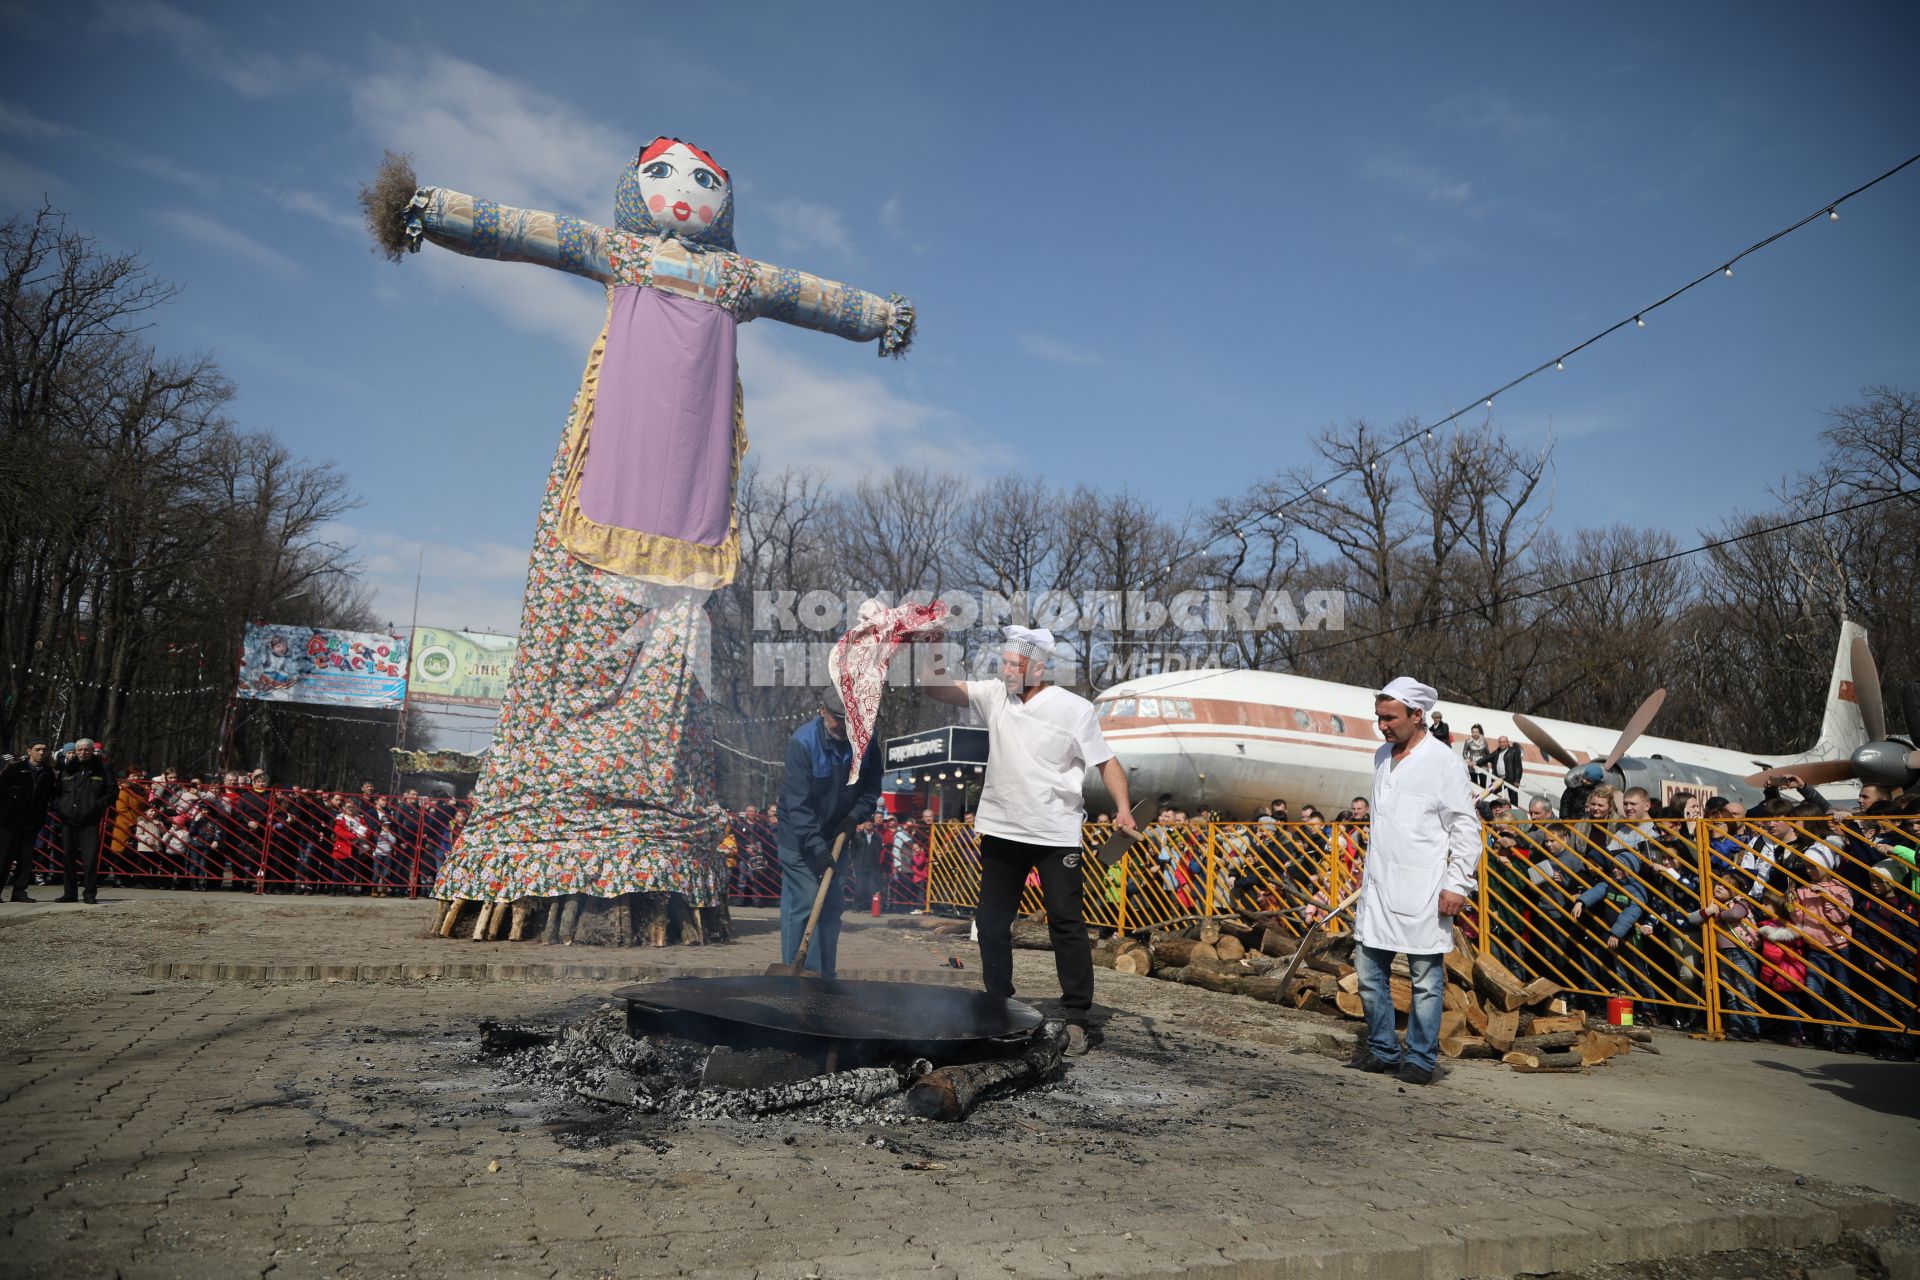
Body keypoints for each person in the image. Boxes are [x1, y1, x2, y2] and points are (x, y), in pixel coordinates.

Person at [919, 625, 1134, 1055]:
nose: (1005, 670)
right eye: (1002, 662)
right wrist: (934, 647)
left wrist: (1124, 808)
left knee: (1066, 923)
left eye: (1013, 664)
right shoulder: (994, 694)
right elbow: (935, 688)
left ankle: (1076, 1018)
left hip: (1055, 833)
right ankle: (998, 1002)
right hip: (1001, 830)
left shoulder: (1074, 709)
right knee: (992, 924)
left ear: (1038, 667)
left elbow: (1106, 762)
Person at [1347, 677, 1478, 1086]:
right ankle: (1384, 1048)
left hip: (1424, 890)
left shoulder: (1444, 762)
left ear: (1417, 715)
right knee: (1369, 972)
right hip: (1379, 887)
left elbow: (1465, 827)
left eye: (1390, 718)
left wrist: (1458, 883)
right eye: (1379, 718)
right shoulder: (1381, 756)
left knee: (1425, 979)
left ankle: (1421, 1058)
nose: (1382, 726)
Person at [774, 685, 880, 977]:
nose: (844, 727)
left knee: (832, 905)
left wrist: (854, 817)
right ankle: (800, 975)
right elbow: (798, 804)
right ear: (822, 711)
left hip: (837, 834)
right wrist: (816, 847)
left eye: (850, 720)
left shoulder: (865, 741)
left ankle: (824, 976)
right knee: (807, 899)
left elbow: (871, 788)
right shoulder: (802, 743)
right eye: (837, 718)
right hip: (797, 836)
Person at [51, 739, 117, 904]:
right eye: (79, 750)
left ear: (91, 751)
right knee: (68, 858)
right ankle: (70, 893)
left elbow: (112, 791)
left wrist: (97, 807)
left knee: (90, 858)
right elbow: (57, 792)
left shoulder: (102, 769)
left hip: (90, 820)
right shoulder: (67, 769)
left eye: (86, 750)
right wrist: (60, 808)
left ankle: (89, 893)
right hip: (68, 819)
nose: (82, 753)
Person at [0, 742, 57, 901]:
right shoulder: (15, 769)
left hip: (32, 823)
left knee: (25, 860)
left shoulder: (48, 774)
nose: (41, 752)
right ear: (29, 751)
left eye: (44, 750)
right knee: (4, 859)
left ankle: (19, 892)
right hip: (9, 822)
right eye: (37, 749)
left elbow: (50, 797)